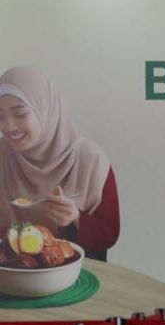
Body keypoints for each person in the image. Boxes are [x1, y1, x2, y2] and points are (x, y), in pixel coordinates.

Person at [0, 66, 120, 261]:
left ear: (45, 109)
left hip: (80, 277)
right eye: (0, 116)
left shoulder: (90, 160)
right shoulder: (3, 156)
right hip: (12, 277)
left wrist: (75, 218)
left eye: (20, 114)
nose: (9, 126)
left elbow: (109, 234)